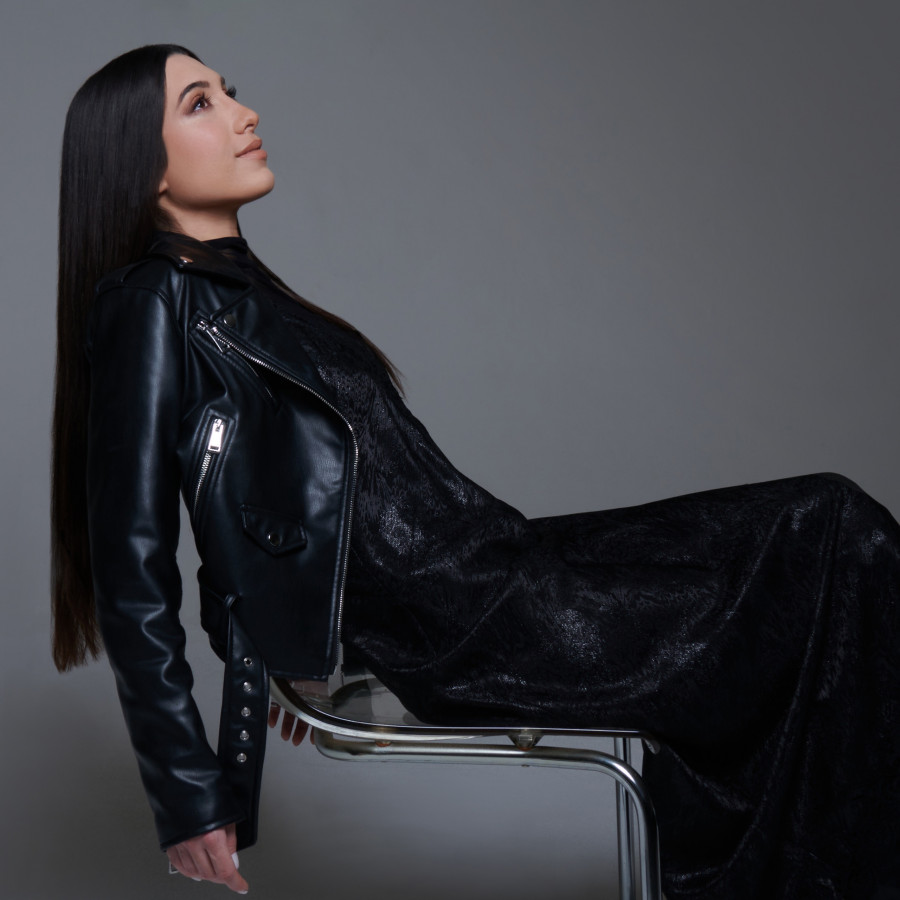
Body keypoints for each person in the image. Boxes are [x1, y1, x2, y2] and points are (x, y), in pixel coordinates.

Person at [52, 45, 899, 900]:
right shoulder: (149, 302)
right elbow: (132, 567)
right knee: (829, 534)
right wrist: (188, 791)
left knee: (824, 534)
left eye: (229, 92)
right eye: (201, 103)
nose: (245, 114)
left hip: (498, 568)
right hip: (462, 623)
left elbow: (283, 497)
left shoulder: (248, 294)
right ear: (146, 167)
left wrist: (300, 623)